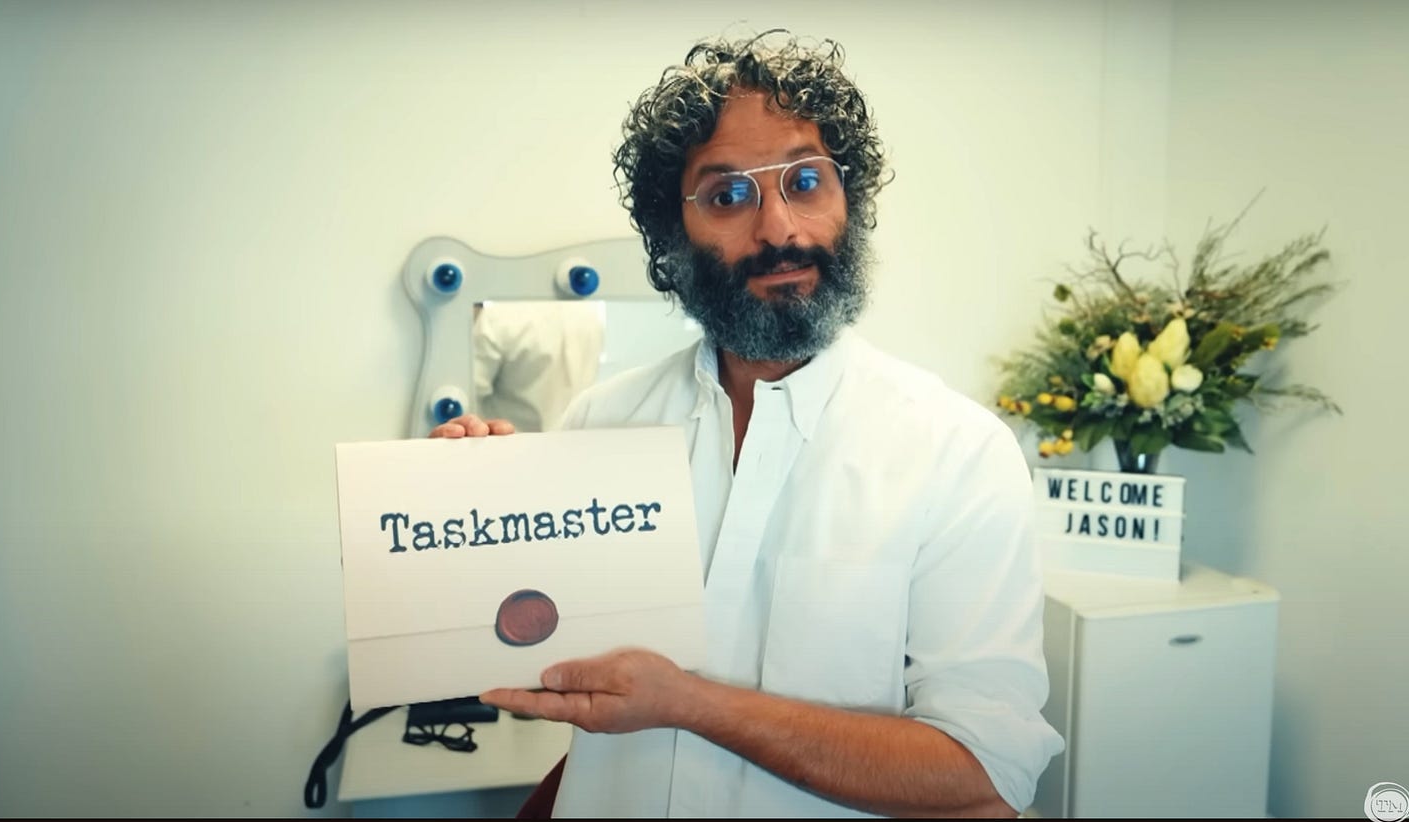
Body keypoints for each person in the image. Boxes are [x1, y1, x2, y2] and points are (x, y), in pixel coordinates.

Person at [431, 31, 1063, 818]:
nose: (779, 230)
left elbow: (980, 772)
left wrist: (690, 702)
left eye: (805, 181)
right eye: (728, 196)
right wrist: (472, 525)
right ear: (673, 234)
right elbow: (569, 679)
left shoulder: (958, 455)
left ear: (849, 199)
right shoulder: (603, 422)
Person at [471, 300, 605, 433]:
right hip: (578, 444)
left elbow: (469, 392)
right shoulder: (589, 314)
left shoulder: (499, 317)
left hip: (511, 447)